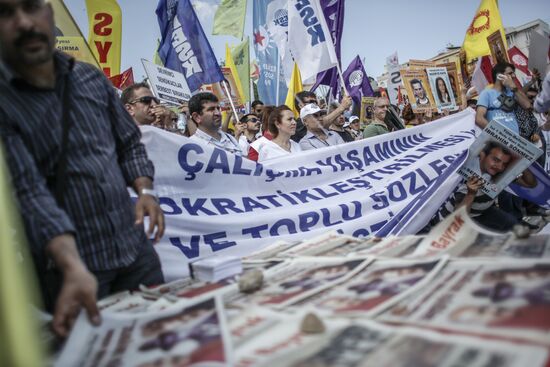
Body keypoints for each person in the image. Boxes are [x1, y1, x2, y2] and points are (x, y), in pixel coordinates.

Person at [0, 0, 165, 337]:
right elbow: (27, 193)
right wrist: (71, 264)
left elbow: (128, 143)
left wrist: (144, 190)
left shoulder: (90, 78)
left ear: (48, 13)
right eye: (4, 12)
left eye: (31, 7)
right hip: (72, 271)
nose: (23, 23)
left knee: (161, 340)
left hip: (135, 251)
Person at [428, 142, 536, 232]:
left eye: (504, 164)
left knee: (512, 225)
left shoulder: (499, 173)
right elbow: (458, 216)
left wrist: (523, 163)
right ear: (482, 155)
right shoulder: (466, 176)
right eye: (495, 160)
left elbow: (530, 184)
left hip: (484, 211)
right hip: (454, 221)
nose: (499, 167)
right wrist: (471, 193)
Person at [476, 62, 532, 134]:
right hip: (498, 140)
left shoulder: (512, 92)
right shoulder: (486, 93)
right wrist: (497, 134)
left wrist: (514, 88)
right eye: (510, 73)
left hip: (515, 139)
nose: (514, 76)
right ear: (499, 76)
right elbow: (479, 118)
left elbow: (527, 106)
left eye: (513, 73)